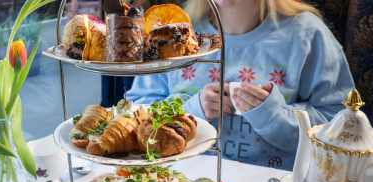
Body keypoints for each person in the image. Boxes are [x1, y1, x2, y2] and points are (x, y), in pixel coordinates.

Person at [126, 0, 355, 171]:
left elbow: (345, 128)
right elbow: (133, 118)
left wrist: (276, 117)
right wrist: (190, 112)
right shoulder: (168, 36)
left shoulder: (308, 35)